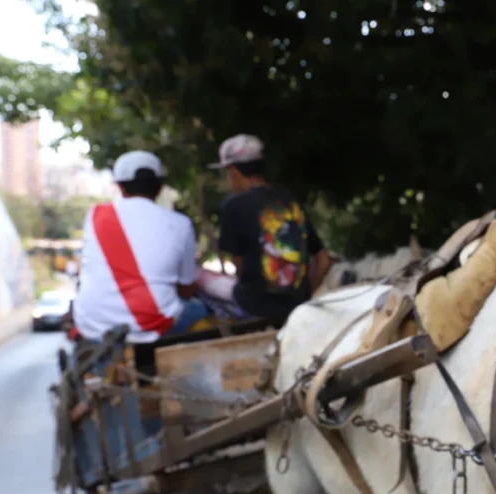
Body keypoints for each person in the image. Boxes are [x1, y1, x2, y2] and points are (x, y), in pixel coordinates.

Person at [72, 150, 211, 343]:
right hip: (157, 324)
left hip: (92, 326)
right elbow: (186, 289)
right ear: (160, 187)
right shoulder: (181, 223)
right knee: (200, 309)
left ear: (120, 186)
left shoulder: (95, 215)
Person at [195, 134, 332, 325]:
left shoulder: (234, 204)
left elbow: (239, 267)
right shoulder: (289, 199)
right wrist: (304, 298)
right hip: (296, 304)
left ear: (234, 172)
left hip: (254, 305)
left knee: (197, 277)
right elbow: (323, 260)